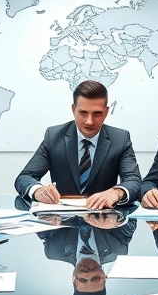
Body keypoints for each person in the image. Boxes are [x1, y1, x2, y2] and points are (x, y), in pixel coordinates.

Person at [14, 80, 142, 209]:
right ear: (73, 109)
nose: (89, 121)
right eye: (83, 113)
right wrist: (38, 191)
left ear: (106, 112)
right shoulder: (53, 137)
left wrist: (116, 193)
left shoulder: (120, 139)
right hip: (63, 221)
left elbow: (134, 181)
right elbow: (25, 177)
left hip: (103, 221)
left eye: (97, 114)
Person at [39, 212, 136, 295]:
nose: (88, 274)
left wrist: (45, 218)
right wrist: (118, 219)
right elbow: (131, 219)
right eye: (95, 278)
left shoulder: (54, 250)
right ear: (104, 277)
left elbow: (36, 221)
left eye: (83, 279)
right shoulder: (118, 249)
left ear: (73, 279)